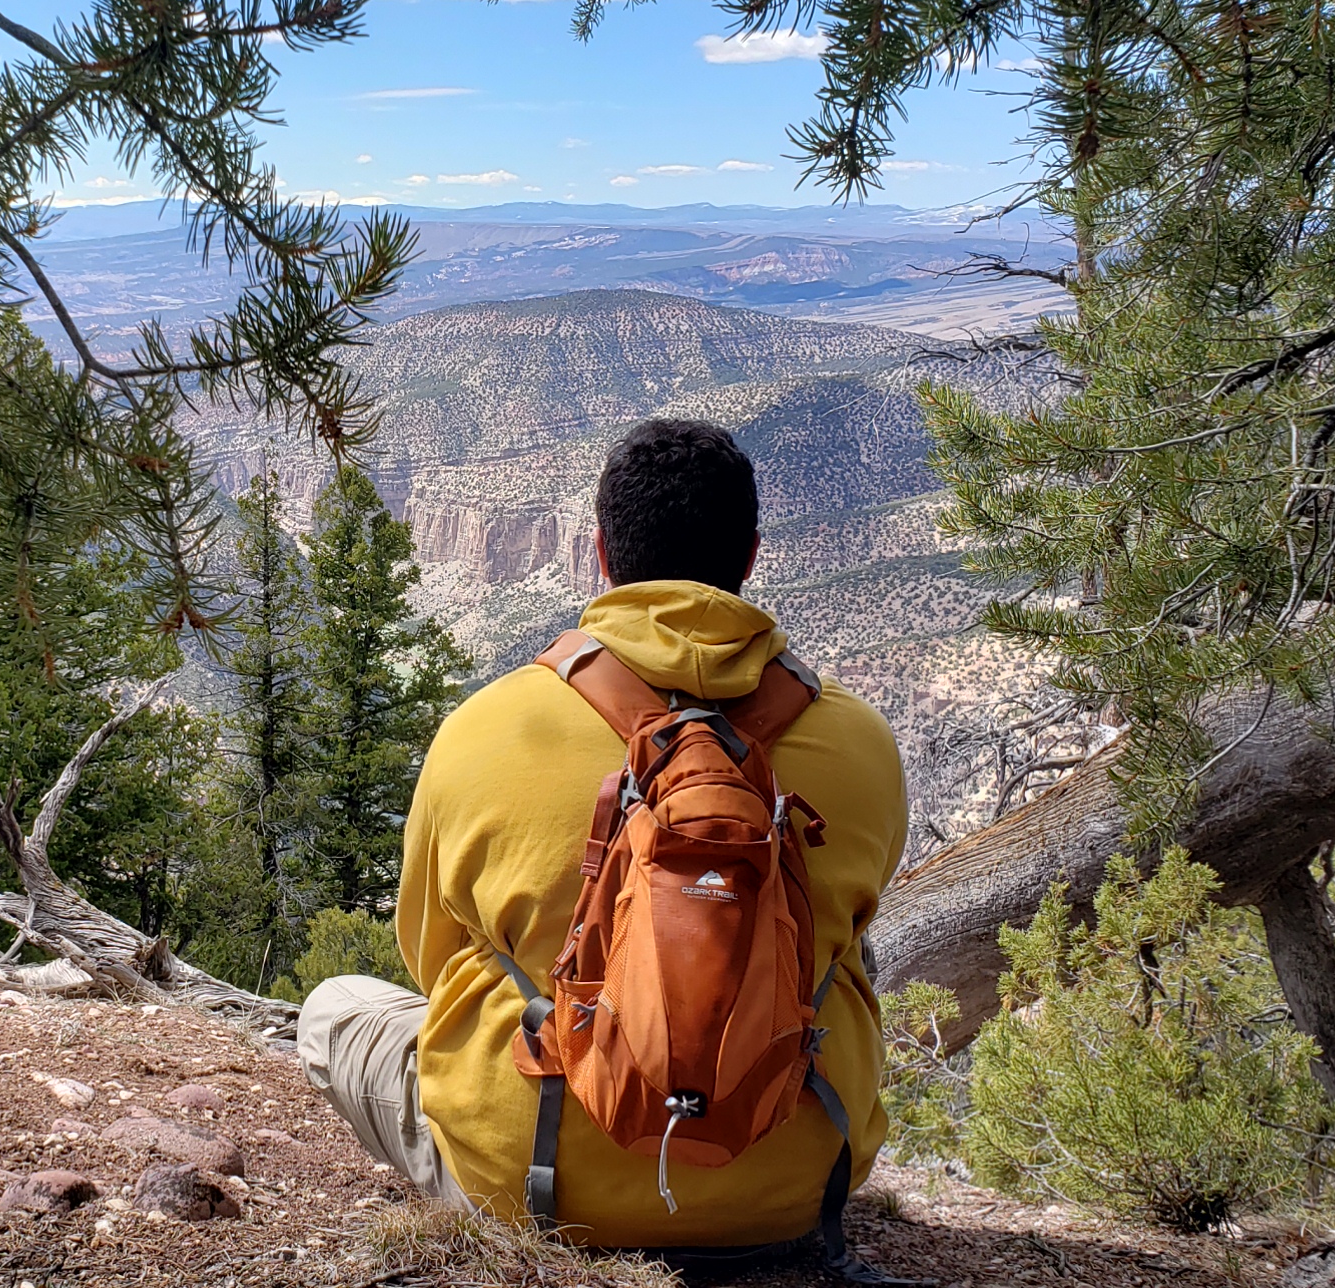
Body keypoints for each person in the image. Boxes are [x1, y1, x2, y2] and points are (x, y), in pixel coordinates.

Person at [299, 418, 909, 1258]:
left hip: (543, 1180)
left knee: (335, 1007)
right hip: (794, 1186)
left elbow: (430, 959)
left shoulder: (486, 726)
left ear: (599, 553)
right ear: (751, 558)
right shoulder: (863, 744)